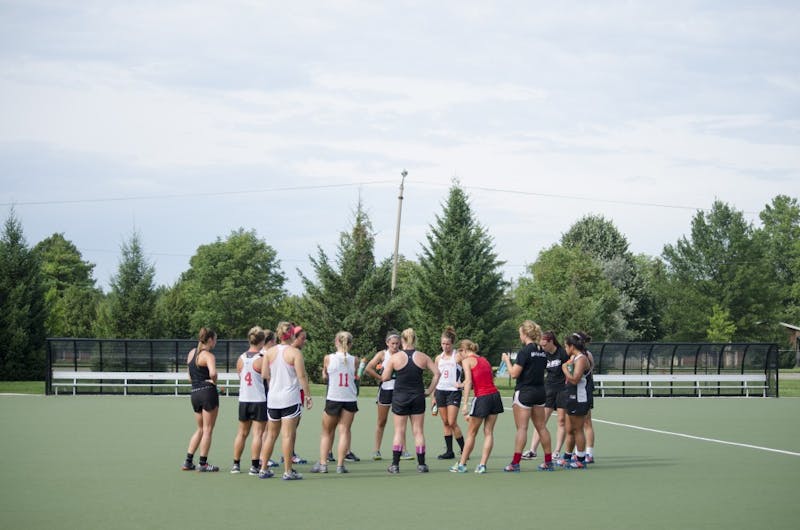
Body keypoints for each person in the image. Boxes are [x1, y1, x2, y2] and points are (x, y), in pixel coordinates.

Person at [257, 322, 312, 480]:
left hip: (273, 399)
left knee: (271, 435)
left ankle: (263, 468)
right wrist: (307, 396)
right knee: (287, 435)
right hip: (289, 398)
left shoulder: (269, 352)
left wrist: (274, 386)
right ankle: (288, 471)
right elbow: (301, 376)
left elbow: (265, 375)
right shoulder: (295, 353)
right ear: (292, 336)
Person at [381, 328, 439, 473]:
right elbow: (437, 373)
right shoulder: (423, 357)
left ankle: (395, 465)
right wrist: (430, 390)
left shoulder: (395, 357)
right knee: (418, 431)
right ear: (415, 339)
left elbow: (384, 377)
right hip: (418, 396)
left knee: (399, 431)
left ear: (402, 340)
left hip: (400, 397)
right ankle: (421, 464)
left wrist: (393, 373)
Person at [501, 320, 555, 472]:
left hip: (525, 392)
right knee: (542, 427)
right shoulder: (542, 352)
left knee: (522, 428)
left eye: (520, 334)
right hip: (540, 392)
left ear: (525, 334)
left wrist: (506, 360)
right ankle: (548, 462)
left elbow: (514, 373)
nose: (520, 336)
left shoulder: (524, 352)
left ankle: (515, 463)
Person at [449, 339, 503, 474]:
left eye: (459, 352)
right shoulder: (484, 360)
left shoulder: (467, 361)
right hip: (495, 396)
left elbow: (468, 382)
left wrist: (465, 403)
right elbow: (481, 380)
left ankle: (462, 464)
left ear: (464, 350)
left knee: (471, 433)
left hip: (482, 398)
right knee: (488, 432)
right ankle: (482, 465)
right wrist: (461, 385)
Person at [311, 331, 359, 474]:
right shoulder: (355, 360)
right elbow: (355, 375)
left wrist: (324, 373)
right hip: (349, 398)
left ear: (336, 342)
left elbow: (325, 377)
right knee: (344, 431)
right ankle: (340, 465)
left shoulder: (328, 358)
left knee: (326, 432)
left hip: (334, 398)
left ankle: (323, 464)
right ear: (350, 344)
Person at [364, 331, 412, 461]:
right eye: (392, 343)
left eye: (397, 343)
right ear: (387, 343)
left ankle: (404, 450)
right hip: (385, 390)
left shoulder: (403, 355)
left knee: (401, 422)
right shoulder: (382, 354)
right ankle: (376, 450)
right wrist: (381, 378)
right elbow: (368, 368)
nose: (395, 346)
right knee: (381, 421)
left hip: (400, 391)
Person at [524, 330, 568, 462]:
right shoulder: (543, 354)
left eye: (544, 345)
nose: (542, 347)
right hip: (548, 389)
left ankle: (556, 451)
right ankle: (532, 450)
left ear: (551, 342)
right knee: (541, 422)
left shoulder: (563, 353)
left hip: (562, 390)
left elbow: (569, 370)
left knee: (561, 421)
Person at [181, 327, 220, 472]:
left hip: (195, 393)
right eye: (215, 339)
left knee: (200, 429)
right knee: (208, 429)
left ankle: (188, 461)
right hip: (207, 393)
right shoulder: (208, 356)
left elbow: (190, 377)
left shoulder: (191, 353)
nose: (216, 342)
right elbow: (213, 373)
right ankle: (203, 463)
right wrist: (213, 381)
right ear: (209, 340)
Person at [230, 326, 268, 475]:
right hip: (258, 400)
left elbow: (241, 377)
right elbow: (267, 377)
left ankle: (236, 464)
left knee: (241, 433)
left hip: (244, 399)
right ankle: (254, 466)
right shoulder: (261, 359)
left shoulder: (241, 358)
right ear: (262, 341)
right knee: (257, 434)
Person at [559, 332, 591, 470]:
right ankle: (567, 457)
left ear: (572, 346)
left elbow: (575, 379)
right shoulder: (574, 358)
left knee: (578, 429)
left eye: (566, 346)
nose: (565, 349)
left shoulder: (582, 358)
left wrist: (565, 369)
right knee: (569, 429)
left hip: (579, 397)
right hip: (570, 395)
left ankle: (581, 459)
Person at [432, 326, 465, 459]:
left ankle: (464, 449)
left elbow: (470, 372)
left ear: (452, 344)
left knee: (452, 422)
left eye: (447, 344)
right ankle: (449, 451)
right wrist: (433, 394)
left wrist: (463, 384)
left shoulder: (458, 357)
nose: (445, 346)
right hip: (440, 391)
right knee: (445, 422)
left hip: (453, 392)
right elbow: (436, 376)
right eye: (443, 343)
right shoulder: (438, 359)